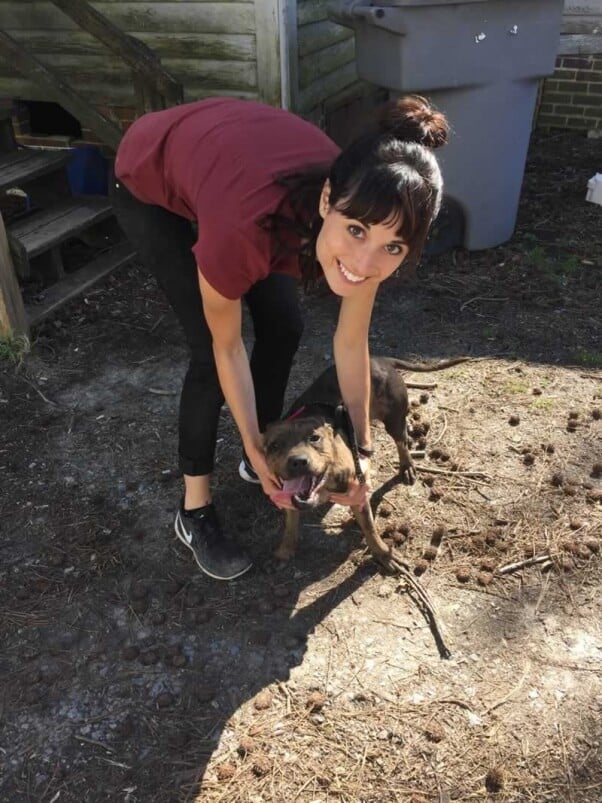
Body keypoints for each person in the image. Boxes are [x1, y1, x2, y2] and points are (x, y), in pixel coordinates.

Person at [110, 95, 448, 581]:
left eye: (393, 247)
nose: (365, 263)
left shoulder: (374, 216)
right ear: (328, 201)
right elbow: (228, 347)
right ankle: (195, 512)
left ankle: (271, 453)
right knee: (209, 351)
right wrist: (250, 443)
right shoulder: (245, 231)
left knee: (285, 324)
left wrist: (366, 452)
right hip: (149, 173)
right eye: (355, 231)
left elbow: (351, 344)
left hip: (237, 170)